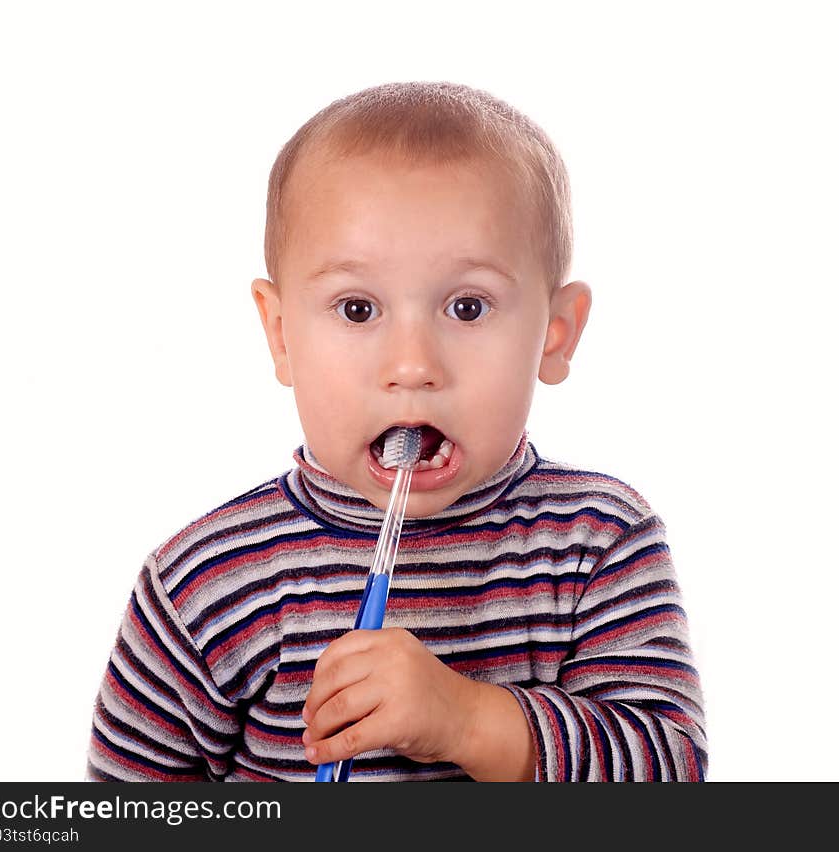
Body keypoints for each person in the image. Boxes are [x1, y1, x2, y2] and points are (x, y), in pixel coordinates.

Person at [86, 81, 707, 782]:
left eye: (468, 307)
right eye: (357, 309)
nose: (413, 366)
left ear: (555, 336)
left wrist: (467, 719)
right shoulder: (202, 582)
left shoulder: (598, 541)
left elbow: (671, 771)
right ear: (282, 333)